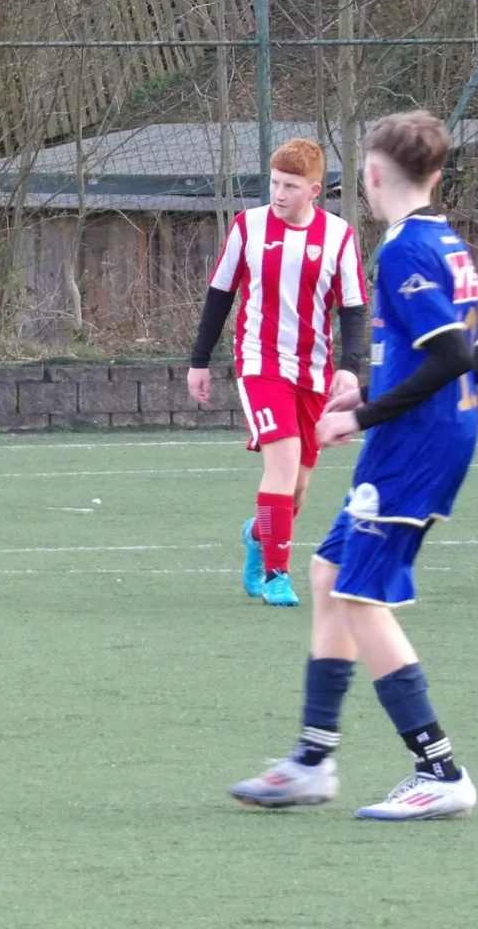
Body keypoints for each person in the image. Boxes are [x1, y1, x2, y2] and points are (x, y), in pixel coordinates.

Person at [230, 109, 478, 820]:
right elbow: (468, 356)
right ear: (436, 174)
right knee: (329, 572)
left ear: (370, 174)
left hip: (414, 446)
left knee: (360, 594)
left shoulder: (404, 249)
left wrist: (363, 416)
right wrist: (368, 392)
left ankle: (440, 769)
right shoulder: (447, 242)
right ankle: (312, 760)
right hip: (423, 434)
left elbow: (454, 356)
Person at [188, 138, 368, 607]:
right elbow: (220, 294)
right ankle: (276, 576)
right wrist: (199, 360)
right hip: (260, 363)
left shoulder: (338, 236)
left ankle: (257, 535)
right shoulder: (248, 227)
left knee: (299, 487)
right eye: (274, 183)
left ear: (314, 190)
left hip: (313, 372)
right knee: (283, 464)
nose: (279, 193)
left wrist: (349, 370)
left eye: (290, 186)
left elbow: (353, 309)